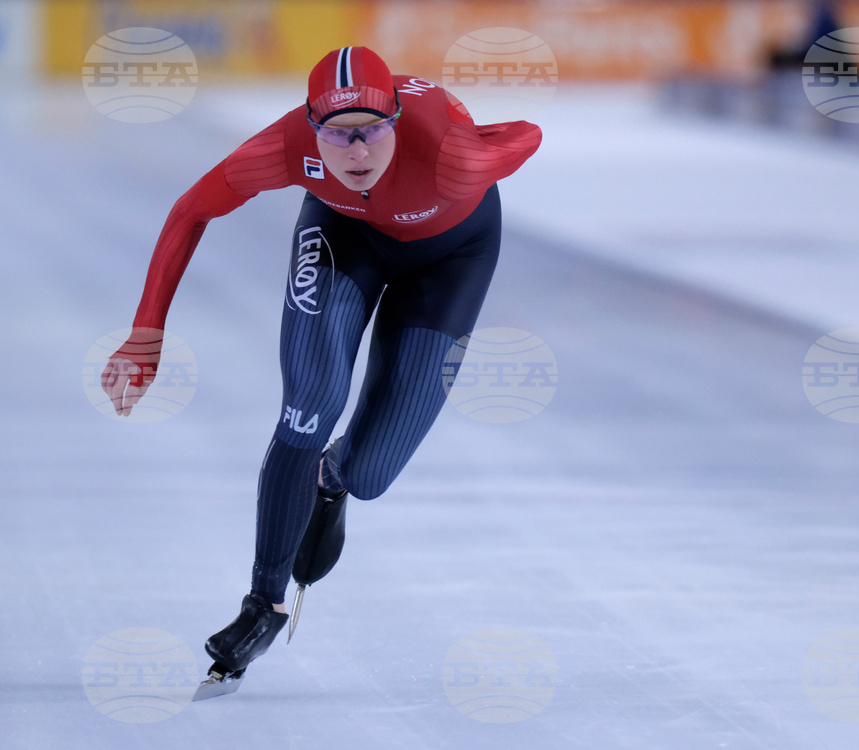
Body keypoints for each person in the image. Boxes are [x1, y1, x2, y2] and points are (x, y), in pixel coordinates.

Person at [101, 46, 542, 686]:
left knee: (369, 476)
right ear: (311, 127)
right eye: (336, 134)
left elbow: (528, 134)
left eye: (371, 132)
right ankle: (263, 603)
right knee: (309, 406)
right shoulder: (286, 146)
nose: (356, 153)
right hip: (345, 236)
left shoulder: (455, 155)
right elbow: (191, 209)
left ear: (394, 120)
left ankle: (331, 475)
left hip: (452, 259)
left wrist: (467, 124)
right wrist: (147, 334)